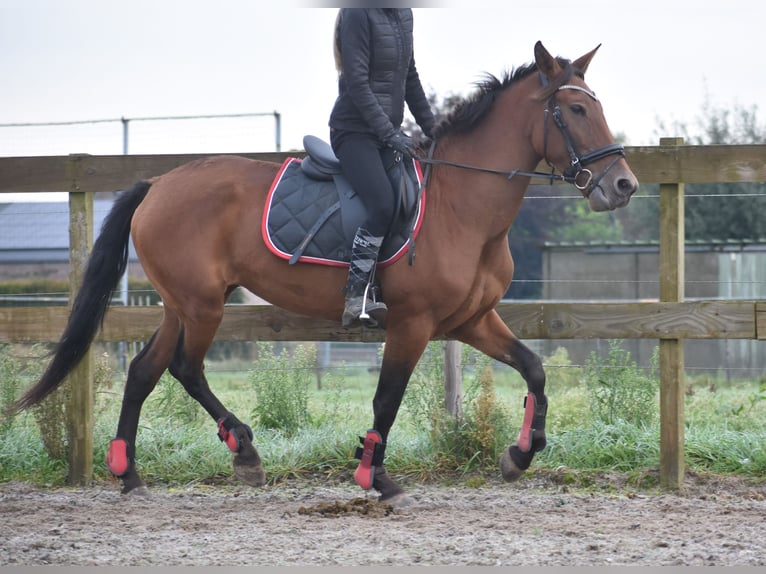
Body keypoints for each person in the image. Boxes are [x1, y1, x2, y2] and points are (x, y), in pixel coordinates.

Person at [329, 8, 435, 327]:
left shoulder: (404, 14)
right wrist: (389, 133)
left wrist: (436, 131)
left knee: (411, 198)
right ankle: (356, 296)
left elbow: (410, 77)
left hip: (386, 133)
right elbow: (357, 82)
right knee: (383, 204)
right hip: (353, 133)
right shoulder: (357, 13)